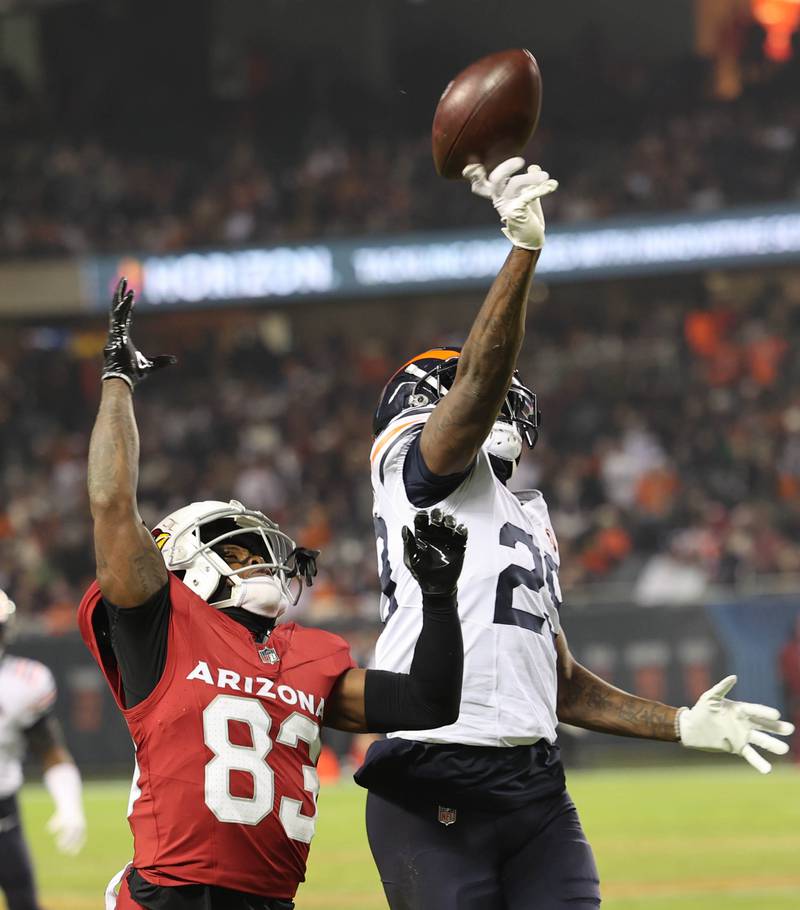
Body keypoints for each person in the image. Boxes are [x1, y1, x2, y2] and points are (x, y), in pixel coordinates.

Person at [356, 158, 795, 910]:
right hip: (432, 775)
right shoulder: (414, 464)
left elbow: (557, 681)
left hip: (534, 785)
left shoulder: (527, 511)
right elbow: (477, 388)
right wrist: (522, 254)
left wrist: (680, 723)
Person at [78, 279, 468, 910]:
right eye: (236, 550)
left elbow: (430, 700)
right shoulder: (163, 626)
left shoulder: (311, 653)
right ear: (180, 563)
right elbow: (111, 503)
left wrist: (441, 597)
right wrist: (117, 380)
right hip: (172, 896)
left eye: (262, 551)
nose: (259, 561)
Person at [0, 588, 86, 910]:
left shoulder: (23, 683)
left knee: (25, 902)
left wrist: (69, 803)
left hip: (4, 818)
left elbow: (49, 750)